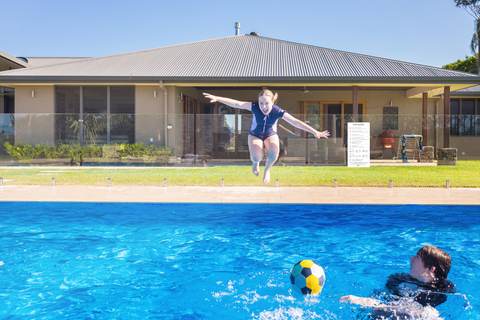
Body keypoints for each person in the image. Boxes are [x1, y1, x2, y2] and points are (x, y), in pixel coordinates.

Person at [203, 90, 329, 184]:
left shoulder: (277, 111)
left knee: (274, 154)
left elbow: (295, 122)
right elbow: (237, 103)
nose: (263, 106)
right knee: (257, 156)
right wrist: (217, 98)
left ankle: (267, 170)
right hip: (255, 135)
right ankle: (255, 163)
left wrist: (314, 132)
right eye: (261, 103)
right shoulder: (254, 107)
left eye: (266, 103)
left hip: (270, 135)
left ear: (272, 102)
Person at [340, 245, 455, 319]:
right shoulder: (400, 278)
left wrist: (370, 303)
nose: (411, 259)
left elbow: (422, 314)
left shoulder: (440, 291)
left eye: (417, 258)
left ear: (430, 269)